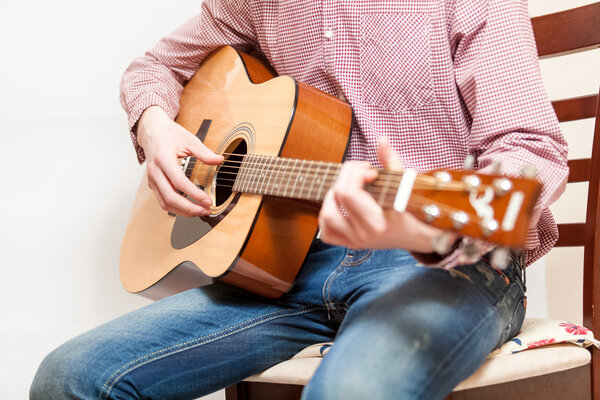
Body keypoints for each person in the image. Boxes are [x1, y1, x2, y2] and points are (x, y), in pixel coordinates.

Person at [30, 0, 568, 399]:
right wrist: (153, 128)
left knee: (349, 392)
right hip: (287, 267)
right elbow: (153, 67)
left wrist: (424, 228)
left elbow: (530, 151)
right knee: (69, 379)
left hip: (448, 265)